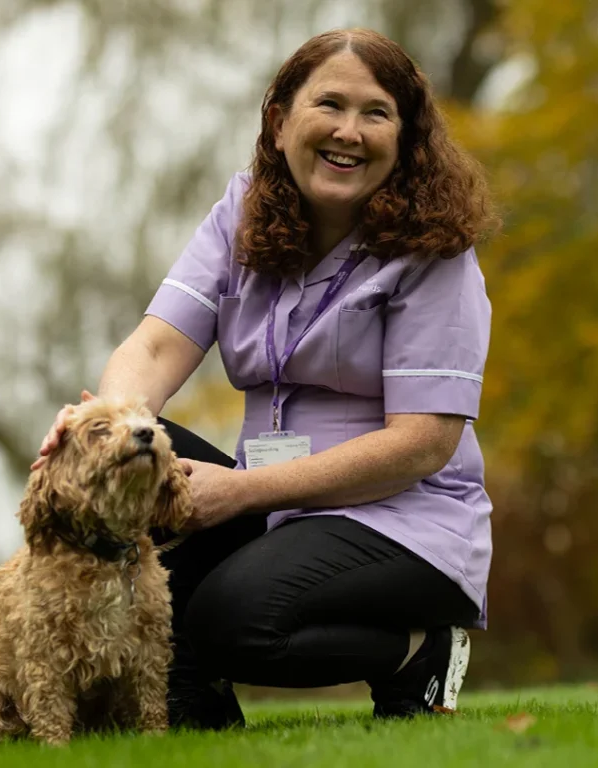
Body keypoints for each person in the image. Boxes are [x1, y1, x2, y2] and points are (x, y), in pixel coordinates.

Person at [33, 27, 498, 728]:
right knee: (126, 458)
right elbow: (157, 346)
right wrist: (101, 426)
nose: (349, 131)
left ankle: (419, 651)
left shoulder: (435, 253)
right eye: (329, 105)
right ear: (280, 121)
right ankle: (189, 699)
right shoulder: (243, 213)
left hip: (406, 517)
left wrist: (244, 491)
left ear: (406, 139)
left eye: (376, 113)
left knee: (235, 620)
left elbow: (423, 443)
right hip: (276, 505)